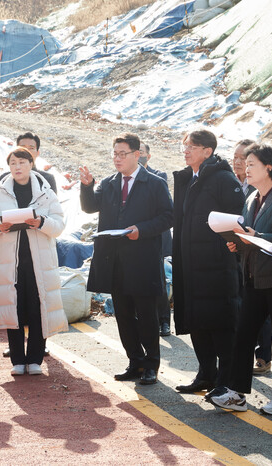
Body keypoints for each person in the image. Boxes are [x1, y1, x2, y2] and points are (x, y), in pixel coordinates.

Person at [210, 143, 272, 414]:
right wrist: (238, 243)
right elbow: (249, 236)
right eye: (246, 163)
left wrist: (256, 237)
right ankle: (236, 393)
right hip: (253, 277)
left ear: (269, 167)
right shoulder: (252, 197)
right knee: (244, 335)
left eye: (251, 164)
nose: (245, 168)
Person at [80, 133, 173, 385]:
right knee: (123, 314)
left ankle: (151, 364)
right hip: (115, 260)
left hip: (142, 259)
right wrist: (87, 186)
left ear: (136, 155)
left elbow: (168, 217)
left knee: (146, 314)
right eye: (115, 154)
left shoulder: (154, 183)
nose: (117, 158)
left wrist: (141, 230)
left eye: (123, 154)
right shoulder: (109, 183)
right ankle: (135, 361)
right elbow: (89, 207)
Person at [0, 147, 68, 375]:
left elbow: (59, 226)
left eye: (21, 162)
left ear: (31, 163)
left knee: (39, 307)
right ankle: (18, 360)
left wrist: (41, 222)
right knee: (14, 308)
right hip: (12, 263)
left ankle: (35, 359)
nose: (17, 167)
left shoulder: (46, 193)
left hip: (40, 263)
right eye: (13, 163)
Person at [172, 130, 244, 395]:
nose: (186, 151)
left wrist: (223, 251)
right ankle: (206, 375)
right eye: (184, 146)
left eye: (191, 147)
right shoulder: (187, 178)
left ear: (207, 151)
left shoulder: (223, 179)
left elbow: (237, 220)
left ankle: (226, 381)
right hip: (190, 263)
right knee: (197, 321)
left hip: (217, 265)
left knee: (221, 324)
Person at [0, 132, 56, 359]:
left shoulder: (46, 181)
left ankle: (37, 349)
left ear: (36, 155)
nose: (24, 155)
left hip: (38, 248)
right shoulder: (4, 181)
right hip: (13, 250)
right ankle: (16, 349)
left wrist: (42, 222)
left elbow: (54, 215)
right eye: (20, 148)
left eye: (30, 149)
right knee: (14, 300)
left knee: (38, 300)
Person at [234, 139, 272, 375]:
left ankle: (263, 356)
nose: (239, 163)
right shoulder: (234, 184)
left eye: (246, 160)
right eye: (236, 158)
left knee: (262, 313)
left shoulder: (269, 192)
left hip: (263, 261)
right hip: (241, 255)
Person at [139, 143, 173, 337]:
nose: (139, 156)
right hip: (135, 238)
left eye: (142, 153)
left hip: (155, 237)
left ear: (148, 156)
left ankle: (164, 321)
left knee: (158, 279)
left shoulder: (159, 176)